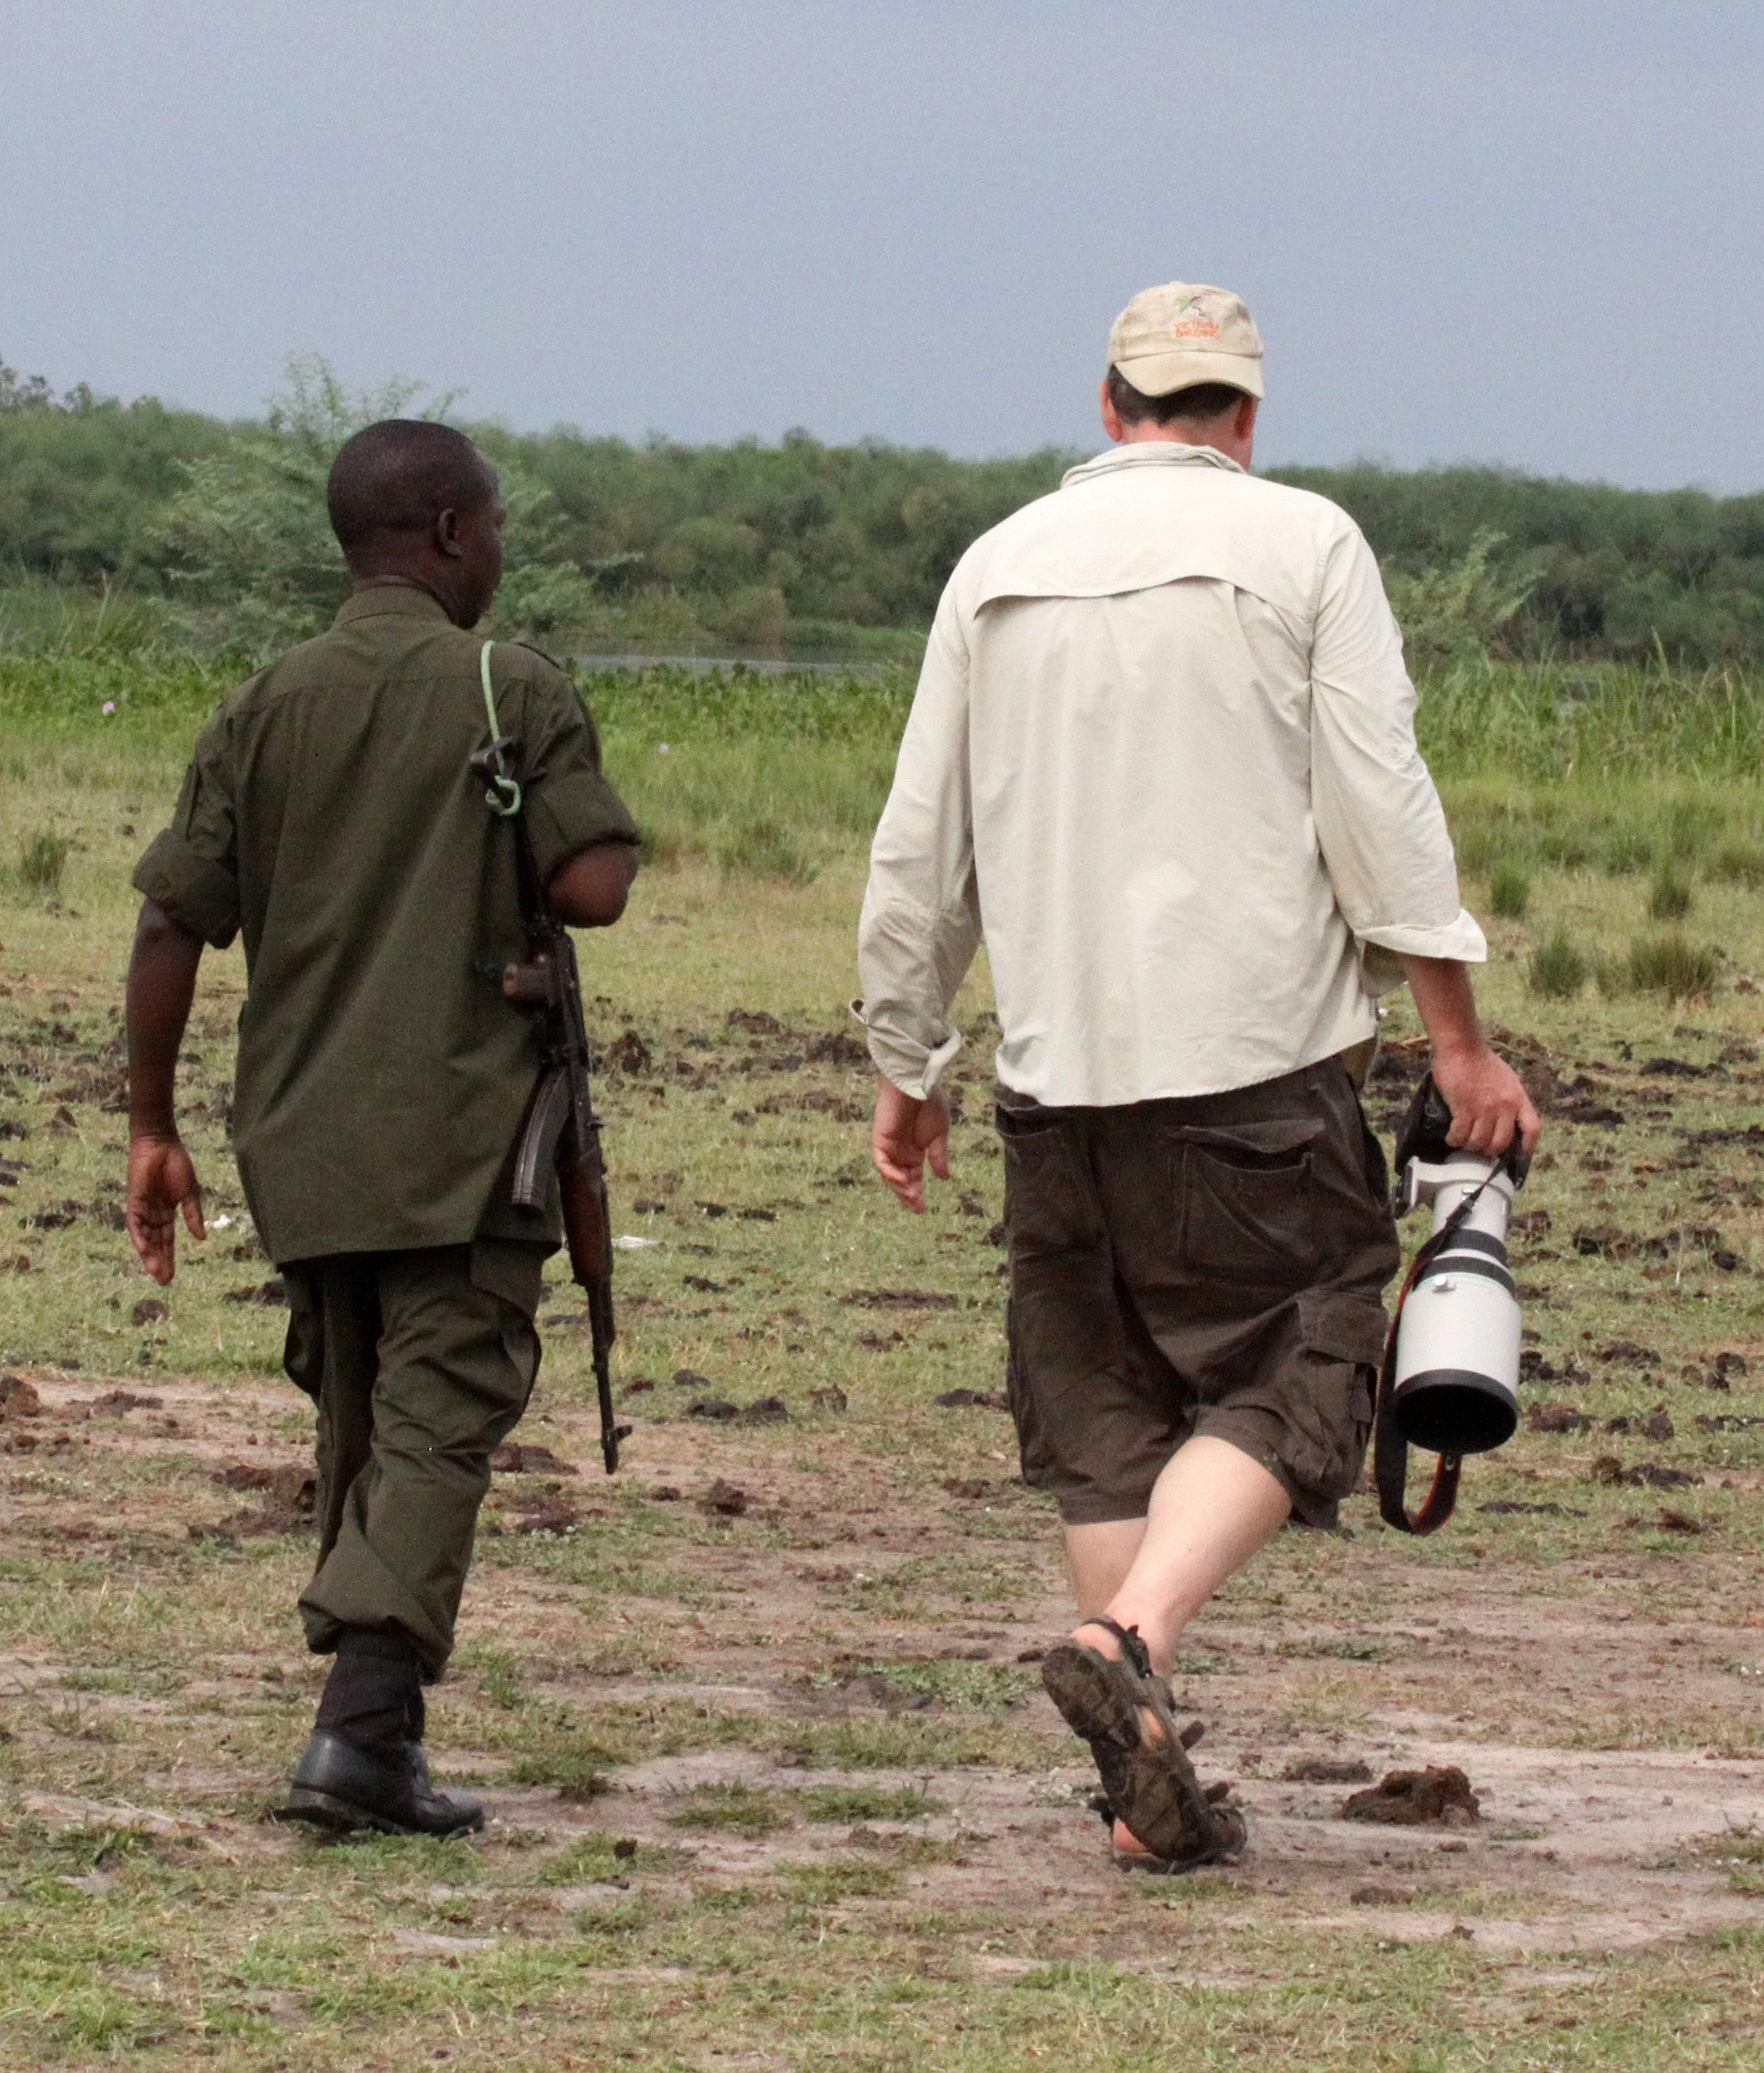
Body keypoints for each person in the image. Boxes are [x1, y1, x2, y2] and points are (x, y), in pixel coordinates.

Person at [856, 282, 1540, 1874]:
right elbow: (1378, 803)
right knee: (1311, 1346)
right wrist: (1456, 1038)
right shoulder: (1305, 543)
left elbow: (918, 843)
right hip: (1254, 1073)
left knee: (1100, 1404)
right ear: (1246, 414)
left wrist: (908, 1058)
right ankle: (1132, 1640)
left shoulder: (994, 562)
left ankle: (1137, 1783)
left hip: (1055, 1081)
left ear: (1109, 406)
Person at [125, 420, 640, 1837]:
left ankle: (380, 1729)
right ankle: (358, 1729)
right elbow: (593, 886)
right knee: (440, 1413)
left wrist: (150, 1124)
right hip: (462, 1133)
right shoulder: (507, 684)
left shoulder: (263, 702)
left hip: (300, 1134)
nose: (500, 550)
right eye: (496, 525)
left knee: (364, 1409)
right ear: (453, 533)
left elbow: (171, 920)